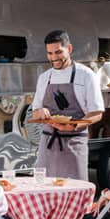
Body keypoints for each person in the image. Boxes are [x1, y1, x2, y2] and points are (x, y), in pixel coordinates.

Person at [31, 30, 104, 180]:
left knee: (76, 192)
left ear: (69, 49)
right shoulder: (44, 78)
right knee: (46, 192)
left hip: (74, 143)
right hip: (48, 145)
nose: (54, 58)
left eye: (58, 52)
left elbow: (97, 113)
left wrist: (74, 126)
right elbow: (35, 112)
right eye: (49, 53)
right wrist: (41, 112)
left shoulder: (86, 75)